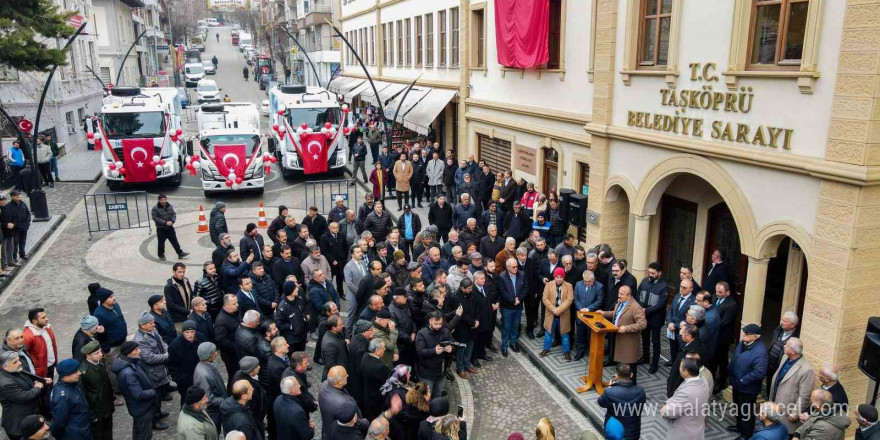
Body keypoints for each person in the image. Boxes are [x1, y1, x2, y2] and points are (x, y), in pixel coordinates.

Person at [113, 341, 167, 437]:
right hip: (141, 409)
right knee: (144, 435)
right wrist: (153, 392)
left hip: (140, 408)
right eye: (136, 350)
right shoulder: (128, 372)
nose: (139, 351)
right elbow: (138, 394)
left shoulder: (132, 363)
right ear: (128, 353)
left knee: (139, 432)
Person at [728, 323, 769, 438]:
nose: (743, 335)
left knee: (746, 412)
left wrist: (742, 380)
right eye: (744, 332)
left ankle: (746, 434)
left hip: (747, 388)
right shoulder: (743, 343)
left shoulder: (760, 352)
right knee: (738, 407)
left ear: (755, 337)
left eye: (747, 333)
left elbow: (759, 372)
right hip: (737, 384)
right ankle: (739, 426)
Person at [599, 285, 647, 383]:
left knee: (630, 369)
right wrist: (604, 313)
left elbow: (642, 324)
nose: (619, 296)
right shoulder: (620, 302)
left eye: (622, 294)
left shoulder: (635, 307)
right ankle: (622, 385)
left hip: (629, 343)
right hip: (619, 339)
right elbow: (617, 314)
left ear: (629, 296)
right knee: (622, 368)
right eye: (619, 293)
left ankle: (632, 387)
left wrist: (626, 328)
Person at [768, 337, 813, 435]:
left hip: (787, 411)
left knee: (784, 434)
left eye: (787, 345)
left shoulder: (806, 370)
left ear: (793, 351)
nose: (784, 346)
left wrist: (795, 413)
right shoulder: (785, 357)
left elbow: (804, 395)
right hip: (776, 405)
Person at [132, 312, 172, 418]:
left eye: (153, 322)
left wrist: (168, 351)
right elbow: (149, 358)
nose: (153, 325)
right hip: (152, 373)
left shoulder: (153, 331)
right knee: (155, 397)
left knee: (158, 395)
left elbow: (163, 343)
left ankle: (158, 413)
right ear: (142, 325)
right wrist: (168, 355)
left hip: (160, 369)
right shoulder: (140, 340)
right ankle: (155, 418)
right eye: (150, 323)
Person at [661, 358, 711, 440]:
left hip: (683, 433)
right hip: (696, 428)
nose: (679, 369)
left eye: (680, 367)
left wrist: (664, 408)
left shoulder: (687, 392)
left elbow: (669, 413)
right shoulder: (703, 381)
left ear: (686, 372)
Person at [0, 351, 45, 440]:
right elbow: (24, 397)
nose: (20, 363)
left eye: (18, 360)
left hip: (28, 415)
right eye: (15, 362)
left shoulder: (14, 370)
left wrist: (40, 380)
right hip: (17, 424)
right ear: (5, 367)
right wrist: (37, 387)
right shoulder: (5, 383)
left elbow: (28, 381)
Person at [319, 366, 369, 439]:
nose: (348, 375)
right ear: (339, 381)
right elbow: (350, 419)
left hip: (328, 429)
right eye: (345, 375)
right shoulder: (344, 404)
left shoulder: (323, 385)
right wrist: (364, 423)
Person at [597, 363, 645, 440]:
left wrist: (610, 388)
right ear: (631, 375)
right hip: (633, 432)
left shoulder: (610, 392)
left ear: (617, 376)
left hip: (615, 431)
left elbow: (601, 402)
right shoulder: (640, 391)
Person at [635, 262, 668, 373]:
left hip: (656, 319)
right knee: (644, 338)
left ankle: (654, 364)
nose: (650, 274)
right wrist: (641, 308)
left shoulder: (664, 286)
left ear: (659, 273)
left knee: (656, 341)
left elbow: (661, 304)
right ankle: (645, 357)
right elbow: (638, 294)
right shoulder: (644, 281)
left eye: (653, 273)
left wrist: (646, 310)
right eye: (649, 272)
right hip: (644, 317)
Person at [78, 341, 114, 440]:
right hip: (96, 411)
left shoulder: (100, 362)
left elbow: (106, 383)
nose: (101, 354)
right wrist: (91, 415)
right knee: (98, 435)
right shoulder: (84, 372)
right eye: (97, 353)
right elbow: (83, 395)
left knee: (108, 432)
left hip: (106, 406)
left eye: (100, 351)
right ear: (87, 355)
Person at [49, 358, 90, 440]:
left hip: (83, 429)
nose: (79, 373)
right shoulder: (62, 397)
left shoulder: (73, 383)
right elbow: (59, 423)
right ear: (65, 376)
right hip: (75, 434)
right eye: (75, 372)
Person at [415, 311, 453, 398]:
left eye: (440, 323)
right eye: (436, 324)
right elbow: (420, 351)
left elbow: (452, 342)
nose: (438, 326)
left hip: (441, 372)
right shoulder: (422, 333)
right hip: (426, 373)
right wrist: (434, 351)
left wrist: (451, 348)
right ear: (430, 321)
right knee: (425, 398)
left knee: (437, 395)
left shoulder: (445, 331)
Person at [193, 342, 228, 430]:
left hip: (216, 409)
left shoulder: (207, 364)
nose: (216, 353)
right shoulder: (203, 374)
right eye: (213, 352)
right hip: (213, 412)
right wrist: (224, 401)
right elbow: (208, 399)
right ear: (208, 355)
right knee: (215, 432)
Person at [540, 267, 573, 361]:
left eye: (561, 277)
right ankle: (546, 349)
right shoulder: (549, 285)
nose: (559, 279)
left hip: (563, 314)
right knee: (548, 333)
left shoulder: (569, 286)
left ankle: (566, 352)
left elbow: (569, 300)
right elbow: (545, 299)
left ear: (563, 277)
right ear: (554, 277)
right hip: (551, 314)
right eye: (557, 277)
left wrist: (559, 309)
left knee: (565, 335)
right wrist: (554, 309)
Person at [765, 311, 800, 398]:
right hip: (770, 364)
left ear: (792, 325)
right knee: (769, 384)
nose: (781, 322)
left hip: (780, 367)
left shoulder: (796, 337)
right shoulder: (779, 329)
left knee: (777, 388)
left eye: (785, 321)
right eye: (782, 320)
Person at [713, 281, 739, 394]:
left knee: (721, 360)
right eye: (716, 291)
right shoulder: (713, 297)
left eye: (720, 292)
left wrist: (708, 321)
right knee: (712, 358)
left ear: (727, 292)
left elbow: (724, 322)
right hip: (713, 335)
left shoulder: (731, 305)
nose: (717, 293)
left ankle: (721, 381)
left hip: (723, 337)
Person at [499, 258, 527, 356]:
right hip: (507, 307)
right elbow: (502, 292)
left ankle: (513, 343)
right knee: (506, 327)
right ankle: (504, 346)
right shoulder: (502, 277)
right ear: (507, 267)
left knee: (515, 326)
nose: (516, 268)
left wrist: (519, 299)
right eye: (513, 267)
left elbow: (525, 288)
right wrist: (512, 300)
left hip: (518, 306)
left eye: (517, 266)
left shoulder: (522, 274)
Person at [665, 278, 695, 367]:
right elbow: (670, 310)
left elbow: (689, 318)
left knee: (681, 351)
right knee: (672, 347)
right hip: (671, 329)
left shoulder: (693, 301)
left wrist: (676, 325)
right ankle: (673, 361)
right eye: (681, 286)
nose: (681, 289)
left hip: (682, 331)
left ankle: (678, 367)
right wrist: (669, 322)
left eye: (684, 287)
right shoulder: (677, 295)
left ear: (691, 289)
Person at [152, 194, 189, 260]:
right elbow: (155, 218)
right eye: (161, 200)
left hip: (170, 228)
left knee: (174, 241)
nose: (163, 201)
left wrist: (172, 221)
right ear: (159, 200)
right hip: (161, 229)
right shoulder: (155, 209)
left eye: (164, 199)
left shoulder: (169, 206)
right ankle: (161, 254)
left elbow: (173, 214)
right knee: (161, 242)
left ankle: (180, 253)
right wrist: (165, 222)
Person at [214, 295, 241, 380]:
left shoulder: (235, 312)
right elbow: (221, 340)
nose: (237, 305)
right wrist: (236, 347)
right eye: (234, 303)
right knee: (234, 376)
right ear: (226, 305)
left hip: (237, 352)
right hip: (231, 356)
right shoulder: (221, 321)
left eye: (237, 302)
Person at [6, 191, 31, 263]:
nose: (18, 197)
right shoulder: (9, 206)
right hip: (15, 228)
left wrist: (27, 223)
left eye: (19, 195)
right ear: (12, 197)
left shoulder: (23, 204)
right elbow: (9, 217)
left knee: (23, 241)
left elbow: (27, 213)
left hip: (24, 227)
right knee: (15, 242)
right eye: (16, 196)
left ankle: (22, 254)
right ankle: (14, 256)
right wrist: (14, 224)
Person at [320, 315, 348, 380]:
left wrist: (345, 342)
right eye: (340, 325)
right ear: (334, 328)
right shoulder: (329, 344)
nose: (343, 326)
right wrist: (341, 374)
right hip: (336, 377)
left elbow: (343, 335)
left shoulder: (335, 333)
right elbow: (330, 365)